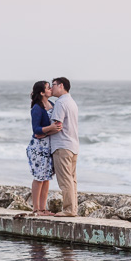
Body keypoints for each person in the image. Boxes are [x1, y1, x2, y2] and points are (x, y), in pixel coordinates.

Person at [27, 81, 63, 215]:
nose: (50, 90)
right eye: (48, 88)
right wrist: (50, 128)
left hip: (48, 146)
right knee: (39, 178)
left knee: (47, 177)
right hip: (38, 147)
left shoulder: (52, 105)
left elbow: (51, 128)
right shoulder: (37, 108)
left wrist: (51, 130)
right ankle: (36, 209)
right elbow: (35, 129)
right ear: (42, 93)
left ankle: (43, 208)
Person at [49, 77, 79, 216]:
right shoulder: (71, 102)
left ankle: (68, 210)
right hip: (73, 145)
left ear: (61, 86)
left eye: (53, 85)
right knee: (72, 179)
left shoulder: (60, 103)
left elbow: (57, 126)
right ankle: (73, 209)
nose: (51, 88)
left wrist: (41, 132)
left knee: (65, 180)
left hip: (62, 145)